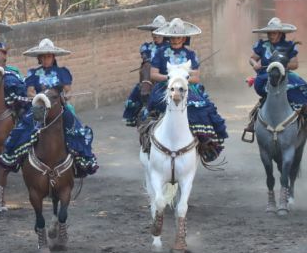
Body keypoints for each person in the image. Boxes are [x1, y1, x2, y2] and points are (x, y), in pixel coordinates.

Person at [0, 38, 99, 177]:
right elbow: (30, 91)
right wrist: (38, 97)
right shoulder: (33, 73)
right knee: (25, 128)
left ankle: (80, 161)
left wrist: (65, 96)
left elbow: (68, 90)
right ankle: (16, 158)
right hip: (40, 107)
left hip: (59, 107)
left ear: (53, 57)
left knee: (74, 127)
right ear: (39, 58)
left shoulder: (62, 72)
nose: (46, 59)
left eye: (49, 56)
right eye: (43, 57)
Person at [147, 18, 227, 161]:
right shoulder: (160, 52)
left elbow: (195, 77)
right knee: (156, 105)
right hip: (166, 86)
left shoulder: (190, 54)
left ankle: (203, 142)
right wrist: (171, 79)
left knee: (201, 107)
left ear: (184, 38)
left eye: (178, 37)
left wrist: (181, 80)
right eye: (172, 37)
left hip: (187, 88)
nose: (175, 40)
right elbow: (153, 74)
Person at [244, 17, 307, 137]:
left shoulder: (289, 46)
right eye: (269, 33)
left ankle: (302, 116)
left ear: (280, 33)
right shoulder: (262, 45)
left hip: (284, 75)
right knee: (265, 90)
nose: (271, 35)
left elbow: (295, 64)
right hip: (265, 77)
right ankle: (255, 120)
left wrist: (280, 65)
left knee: (301, 89)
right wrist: (255, 64)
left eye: (273, 33)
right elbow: (252, 58)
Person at [123, 15, 169, 126]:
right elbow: (147, 62)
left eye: (158, 31)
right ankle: (131, 117)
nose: (155, 34)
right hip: (150, 76)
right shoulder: (146, 47)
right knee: (138, 89)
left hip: (166, 76)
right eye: (153, 31)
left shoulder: (170, 48)